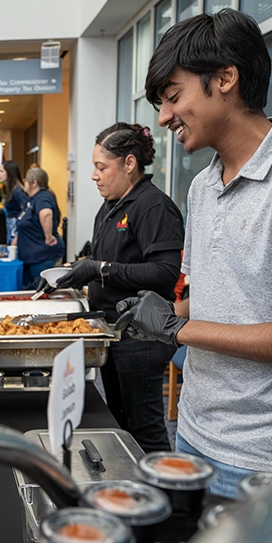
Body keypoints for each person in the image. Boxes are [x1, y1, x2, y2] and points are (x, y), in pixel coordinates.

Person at [121, 8, 272, 497]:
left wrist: (178, 327)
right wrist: (160, 315)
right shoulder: (204, 186)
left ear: (225, 78)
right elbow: (216, 303)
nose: (163, 118)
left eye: (173, 96)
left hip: (266, 463)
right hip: (192, 436)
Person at [54, 124, 184, 452]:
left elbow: (165, 272)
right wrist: (77, 271)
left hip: (141, 337)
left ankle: (163, 499)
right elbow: (106, 259)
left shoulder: (153, 206)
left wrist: (101, 269)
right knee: (119, 422)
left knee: (145, 428)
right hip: (112, 331)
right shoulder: (111, 205)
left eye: (102, 167)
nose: (95, 176)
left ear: (129, 163)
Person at [16, 167, 65, 288]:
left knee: (42, 291)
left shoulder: (42, 197)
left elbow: (46, 213)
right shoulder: (33, 200)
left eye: (26, 181)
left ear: (34, 183)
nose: (24, 184)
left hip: (41, 256)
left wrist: (48, 237)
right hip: (33, 257)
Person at [1, 159, 27, 243]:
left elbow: (26, 210)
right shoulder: (9, 189)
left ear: (9, 173)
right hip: (11, 225)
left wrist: (17, 233)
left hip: (16, 227)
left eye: (1, 171)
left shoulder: (17, 190)